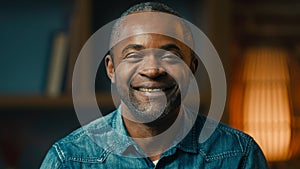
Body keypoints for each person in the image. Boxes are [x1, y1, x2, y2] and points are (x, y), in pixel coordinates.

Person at [41, 2, 269, 168]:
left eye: (170, 56)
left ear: (192, 69)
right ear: (111, 69)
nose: (152, 70)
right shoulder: (69, 159)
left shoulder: (239, 155)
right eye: (133, 56)